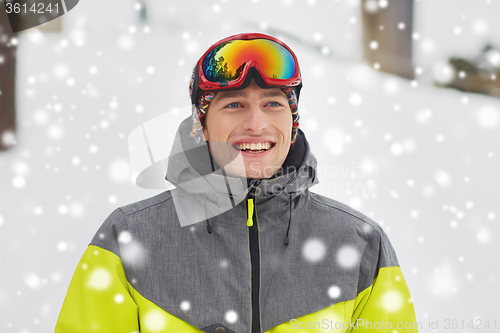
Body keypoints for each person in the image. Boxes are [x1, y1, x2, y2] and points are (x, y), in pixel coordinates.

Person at [55, 33, 419, 333]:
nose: (256, 124)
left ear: (292, 125)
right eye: (233, 105)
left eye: (273, 104)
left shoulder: (359, 243)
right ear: (202, 124)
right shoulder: (128, 238)